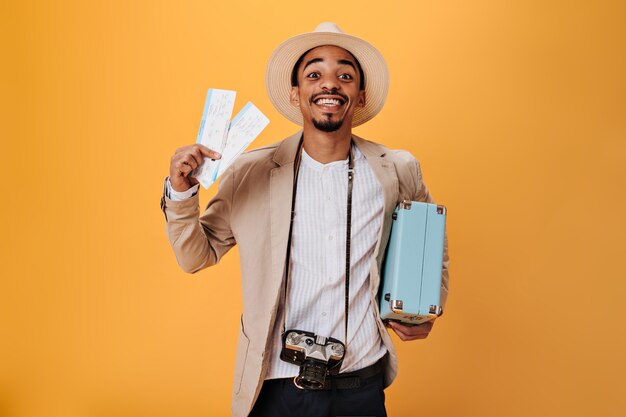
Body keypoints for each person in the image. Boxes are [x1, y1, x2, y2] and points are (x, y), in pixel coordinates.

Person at [161, 22, 449, 417]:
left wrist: (426, 308)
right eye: (314, 74)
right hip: (279, 389)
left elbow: (432, 244)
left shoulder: (397, 169)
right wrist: (181, 193)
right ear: (296, 94)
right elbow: (195, 255)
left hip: (361, 386)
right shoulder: (252, 171)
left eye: (344, 75)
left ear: (359, 95)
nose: (329, 84)